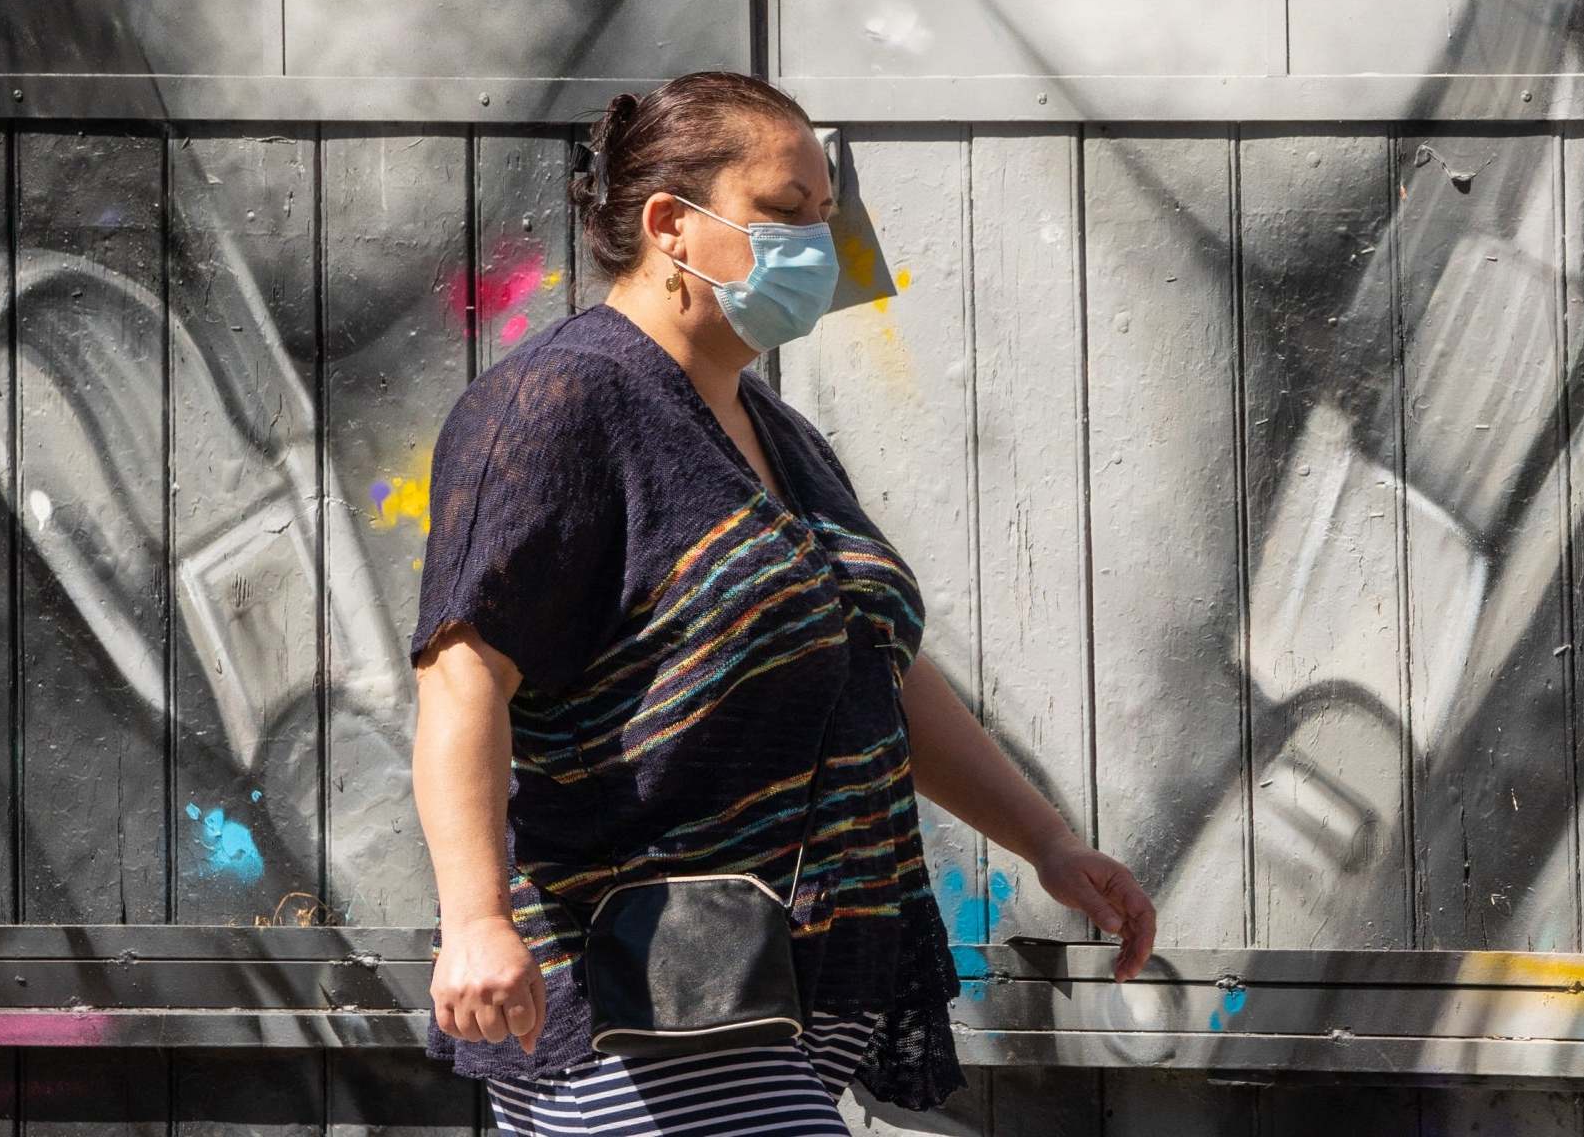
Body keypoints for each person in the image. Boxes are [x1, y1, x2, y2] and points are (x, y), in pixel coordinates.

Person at [406, 70, 1158, 1131]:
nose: (817, 242)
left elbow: (871, 669)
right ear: (671, 224)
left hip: (791, 998)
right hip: (651, 1002)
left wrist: (1048, 843)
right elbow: (463, 672)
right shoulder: (559, 403)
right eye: (783, 212)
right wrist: (475, 919)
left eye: (824, 215)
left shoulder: (782, 436)